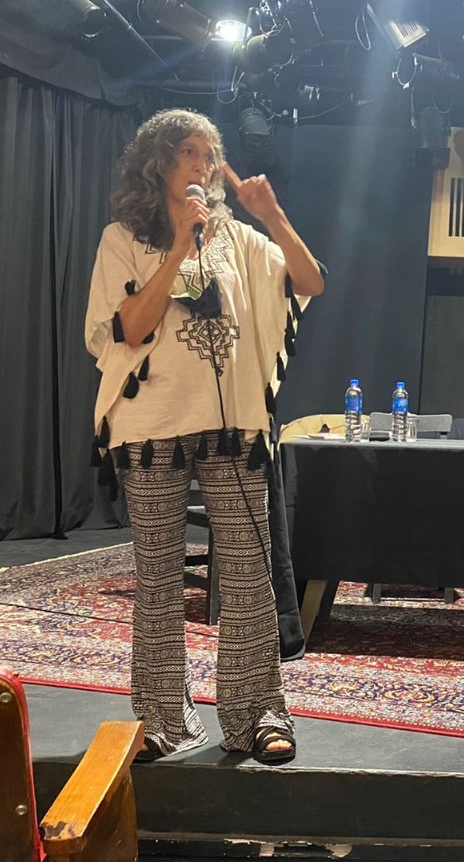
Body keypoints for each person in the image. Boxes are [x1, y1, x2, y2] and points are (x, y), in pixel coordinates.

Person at [85, 109, 324, 763]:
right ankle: (163, 720)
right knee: (158, 581)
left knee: (248, 576)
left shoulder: (238, 239)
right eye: (189, 151)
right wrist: (178, 251)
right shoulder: (122, 239)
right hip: (150, 426)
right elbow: (131, 327)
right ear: (158, 161)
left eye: (209, 154)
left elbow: (309, 282)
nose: (202, 164)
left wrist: (271, 215)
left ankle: (258, 715)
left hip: (232, 425)